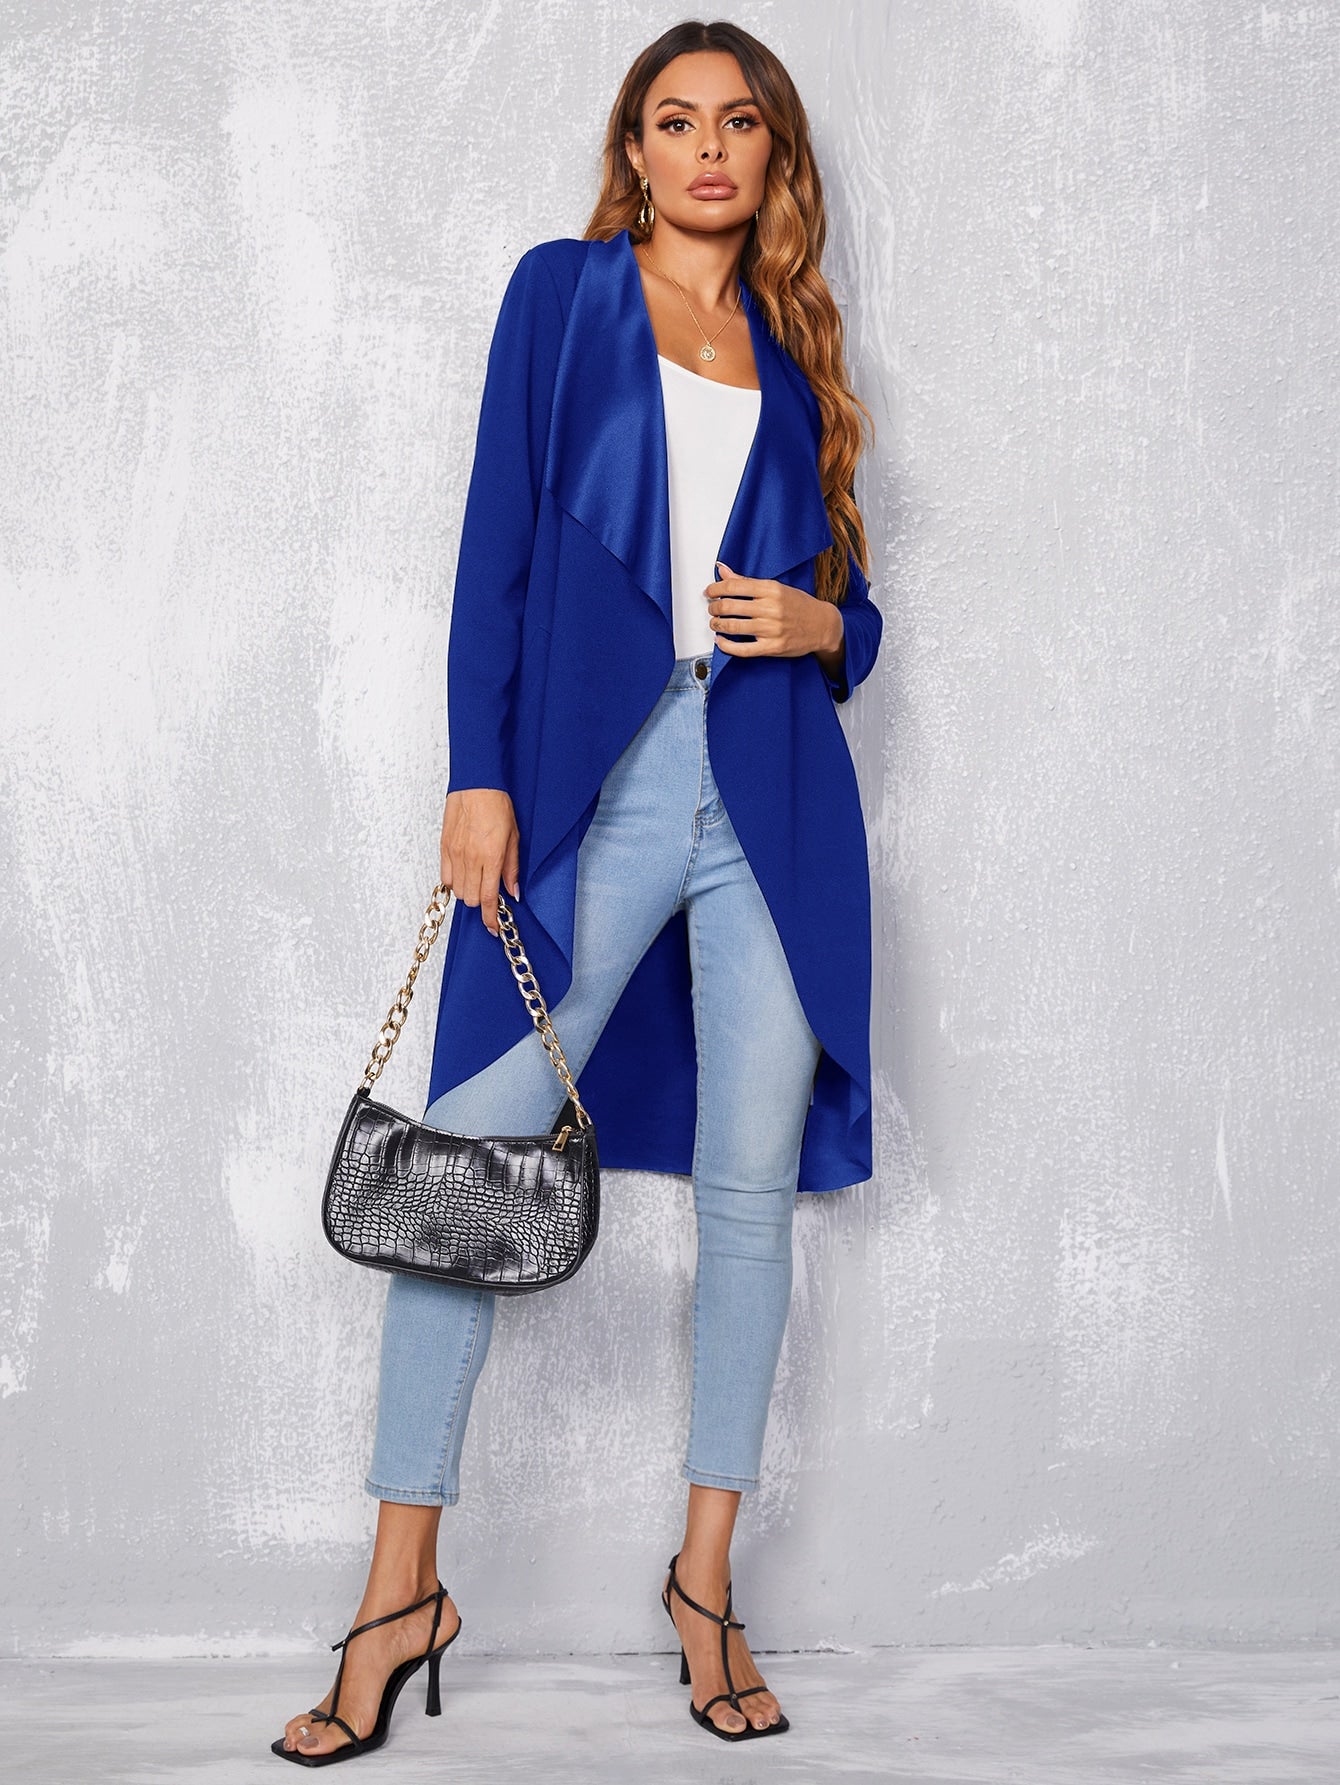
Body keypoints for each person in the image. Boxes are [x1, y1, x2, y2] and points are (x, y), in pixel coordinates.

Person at [273, 17, 882, 1766]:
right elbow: (497, 540)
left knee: (749, 1200)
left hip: (771, 797)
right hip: (588, 791)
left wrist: (829, 623)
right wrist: (477, 771)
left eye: (738, 123)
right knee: (464, 1171)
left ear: (771, 157)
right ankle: (399, 1589)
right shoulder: (562, 296)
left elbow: (860, 606)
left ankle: (705, 1585)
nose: (709, 149)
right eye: (675, 122)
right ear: (634, 151)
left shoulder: (796, 350)